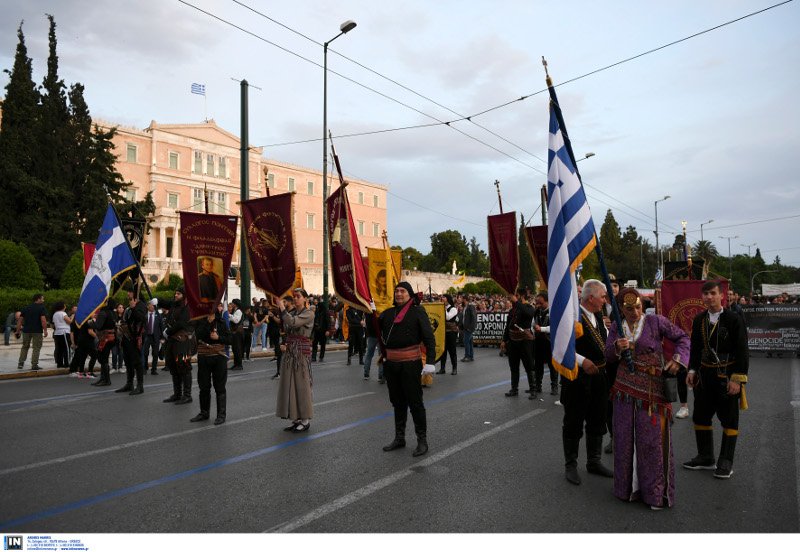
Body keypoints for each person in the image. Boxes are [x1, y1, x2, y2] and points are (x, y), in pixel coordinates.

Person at [606, 287, 690, 510]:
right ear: (620, 309)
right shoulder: (616, 327)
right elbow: (607, 356)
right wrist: (616, 347)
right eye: (628, 308)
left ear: (642, 305)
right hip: (623, 390)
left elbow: (682, 337)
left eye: (637, 306)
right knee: (623, 439)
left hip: (653, 392)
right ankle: (626, 489)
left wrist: (679, 360)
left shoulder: (655, 322)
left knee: (651, 441)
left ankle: (655, 493)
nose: (634, 311)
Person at [683, 280, 750, 479]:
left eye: (712, 293)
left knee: (729, 419)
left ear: (722, 295)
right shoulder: (699, 319)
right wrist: (692, 370)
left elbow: (742, 351)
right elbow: (695, 349)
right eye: (705, 294)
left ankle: (726, 461)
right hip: (704, 376)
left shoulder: (734, 319)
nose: (709, 297)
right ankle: (705, 457)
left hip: (726, 375)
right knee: (701, 416)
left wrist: (737, 380)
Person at [561, 279, 614, 485]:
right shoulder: (573, 317)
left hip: (600, 376)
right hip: (578, 377)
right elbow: (561, 346)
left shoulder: (599, 315)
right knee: (574, 420)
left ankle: (594, 461)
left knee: (598, 418)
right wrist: (582, 361)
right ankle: (570, 465)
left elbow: (605, 342)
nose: (604, 300)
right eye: (602, 296)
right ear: (591, 297)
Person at [379, 282, 436, 457]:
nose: (398, 294)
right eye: (396, 291)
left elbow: (429, 338)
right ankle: (400, 437)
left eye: (402, 291)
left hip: (411, 363)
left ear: (409, 295)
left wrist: (430, 362)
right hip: (391, 365)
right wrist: (370, 311)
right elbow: (375, 331)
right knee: (397, 402)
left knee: (415, 403)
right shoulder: (387, 314)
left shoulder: (418, 312)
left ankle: (422, 440)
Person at [275, 288, 315, 433]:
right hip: (290, 351)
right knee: (289, 384)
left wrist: (281, 307)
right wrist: (284, 343)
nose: (296, 299)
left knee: (301, 385)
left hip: (300, 354)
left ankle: (305, 420)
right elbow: (287, 328)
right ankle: (296, 418)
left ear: (305, 299)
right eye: (294, 296)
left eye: (298, 296)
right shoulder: (292, 312)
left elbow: (292, 323)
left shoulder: (309, 313)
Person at [191, 305, 232, 424]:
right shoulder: (200, 322)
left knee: (219, 387)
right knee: (204, 386)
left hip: (219, 358)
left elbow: (230, 339)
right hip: (204, 357)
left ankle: (221, 415)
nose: (217, 308)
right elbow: (198, 335)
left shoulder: (222, 322)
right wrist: (207, 323)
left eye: (218, 306)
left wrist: (218, 337)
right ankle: (204, 412)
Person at [500, 287, 536, 398]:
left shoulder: (529, 307)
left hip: (525, 341)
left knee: (529, 366)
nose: (511, 298)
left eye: (515, 296)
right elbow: (508, 326)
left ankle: (533, 389)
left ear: (521, 296)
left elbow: (529, 315)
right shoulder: (512, 310)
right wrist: (504, 340)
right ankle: (514, 389)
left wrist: (516, 302)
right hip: (513, 341)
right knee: (514, 366)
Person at [163, 287, 194, 404]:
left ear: (184, 295)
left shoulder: (187, 307)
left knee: (184, 366)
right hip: (172, 341)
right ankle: (177, 394)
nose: (176, 295)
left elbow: (181, 323)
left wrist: (168, 331)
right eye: (175, 293)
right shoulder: (174, 305)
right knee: (173, 367)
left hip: (182, 341)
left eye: (179, 294)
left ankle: (187, 395)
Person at [16, 293, 48, 371]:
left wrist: (18, 330)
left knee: (25, 347)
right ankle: (34, 365)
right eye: (42, 298)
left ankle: (20, 363)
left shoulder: (26, 308)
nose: (43, 300)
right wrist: (45, 330)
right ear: (38, 299)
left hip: (26, 331)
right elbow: (43, 320)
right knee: (36, 348)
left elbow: (20, 320)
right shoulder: (41, 308)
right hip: (37, 331)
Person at [90, 300, 118, 386]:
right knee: (104, 358)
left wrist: (91, 322)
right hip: (112, 338)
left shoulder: (103, 312)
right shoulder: (113, 313)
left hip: (105, 338)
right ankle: (103, 378)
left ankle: (106, 380)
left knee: (103, 359)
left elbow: (98, 326)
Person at [437, 294, 459, 375]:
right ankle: (442, 369)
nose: (442, 298)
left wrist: (443, 308)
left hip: (451, 332)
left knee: (452, 350)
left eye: (444, 297)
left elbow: (448, 317)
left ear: (448, 299)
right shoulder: (442, 307)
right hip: (443, 332)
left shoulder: (453, 309)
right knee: (443, 351)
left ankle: (454, 368)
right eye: (441, 297)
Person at [141, 298, 163, 376]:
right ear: (148, 306)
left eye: (153, 305)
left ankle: (154, 369)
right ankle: (145, 368)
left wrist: (162, 337)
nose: (152, 306)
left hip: (155, 337)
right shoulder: (144, 315)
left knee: (155, 353)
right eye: (151, 305)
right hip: (146, 336)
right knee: (145, 353)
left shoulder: (158, 315)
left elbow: (161, 326)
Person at [362, 311, 383, 382]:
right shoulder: (381, 310)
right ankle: (381, 375)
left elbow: (368, 324)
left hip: (371, 335)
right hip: (380, 335)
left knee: (369, 355)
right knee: (381, 356)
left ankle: (366, 373)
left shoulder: (368, 311)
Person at [52, 301, 73, 368]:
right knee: (66, 348)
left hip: (57, 333)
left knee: (59, 349)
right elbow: (69, 322)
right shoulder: (63, 313)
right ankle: (67, 363)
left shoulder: (55, 314)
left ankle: (59, 363)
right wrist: (72, 317)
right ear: (63, 306)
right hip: (64, 332)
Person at [311, 299, 329, 363]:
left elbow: (328, 321)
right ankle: (313, 357)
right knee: (315, 344)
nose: (318, 307)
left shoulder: (326, 312)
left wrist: (327, 330)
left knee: (322, 344)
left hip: (323, 331)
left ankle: (321, 356)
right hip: (317, 330)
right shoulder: (317, 312)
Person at [460, 295, 476, 362]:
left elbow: (473, 317)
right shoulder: (465, 307)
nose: (461, 300)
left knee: (466, 341)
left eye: (462, 299)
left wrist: (471, 327)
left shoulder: (470, 307)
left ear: (465, 299)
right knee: (469, 342)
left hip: (469, 328)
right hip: (465, 327)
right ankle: (471, 356)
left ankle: (467, 356)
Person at [228, 299, 244, 370]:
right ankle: (235, 364)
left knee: (237, 349)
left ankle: (239, 365)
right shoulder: (235, 311)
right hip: (234, 332)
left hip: (237, 332)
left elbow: (236, 320)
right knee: (234, 349)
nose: (232, 304)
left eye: (233, 303)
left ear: (235, 304)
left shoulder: (238, 311)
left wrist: (228, 315)